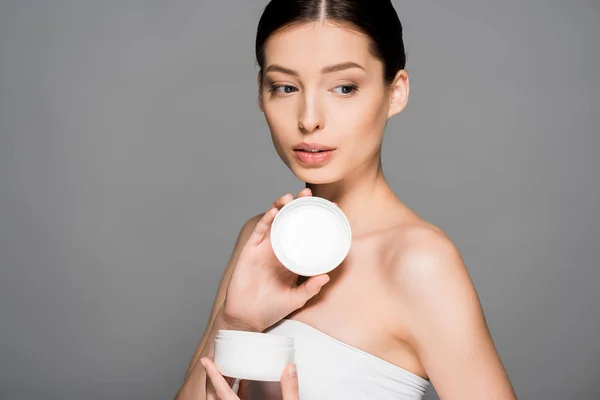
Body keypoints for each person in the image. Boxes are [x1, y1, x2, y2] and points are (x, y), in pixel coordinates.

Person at [175, 0, 517, 399]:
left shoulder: (419, 263)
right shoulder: (260, 238)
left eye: (344, 88)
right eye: (285, 87)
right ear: (261, 93)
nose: (308, 118)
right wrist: (236, 323)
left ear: (396, 92)